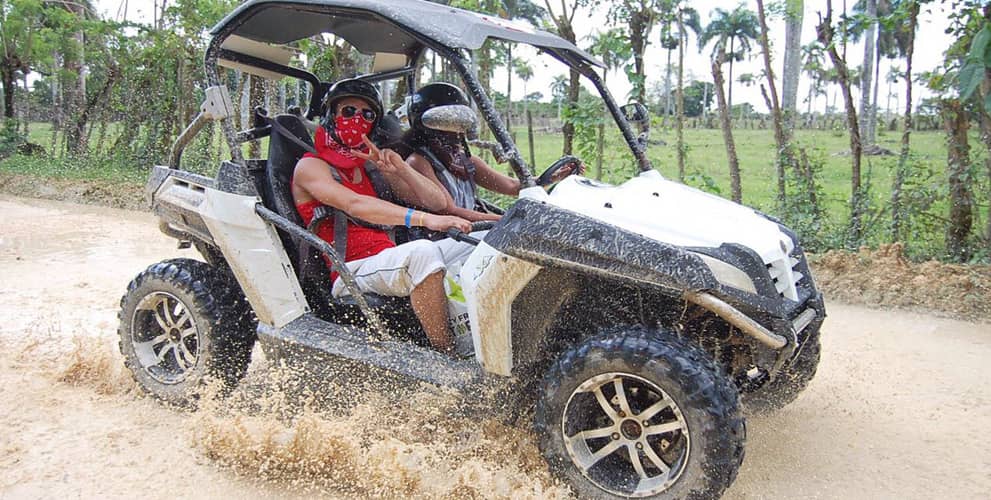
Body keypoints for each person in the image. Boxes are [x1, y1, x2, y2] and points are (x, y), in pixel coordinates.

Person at [291, 78, 473, 354]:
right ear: (331, 116)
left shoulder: (369, 166)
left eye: (367, 115)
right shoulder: (310, 166)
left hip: (385, 260)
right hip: (350, 270)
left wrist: (400, 169)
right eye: (349, 111)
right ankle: (447, 356)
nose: (358, 120)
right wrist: (425, 220)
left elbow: (436, 203)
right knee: (422, 253)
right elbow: (354, 203)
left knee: (481, 240)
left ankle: (486, 340)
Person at [403, 82, 583, 222]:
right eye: (447, 123)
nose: (456, 131)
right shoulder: (418, 162)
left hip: (469, 230)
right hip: (443, 237)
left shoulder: (467, 161)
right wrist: (505, 219)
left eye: (459, 124)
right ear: (426, 124)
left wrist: (552, 177)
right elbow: (449, 210)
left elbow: (513, 186)